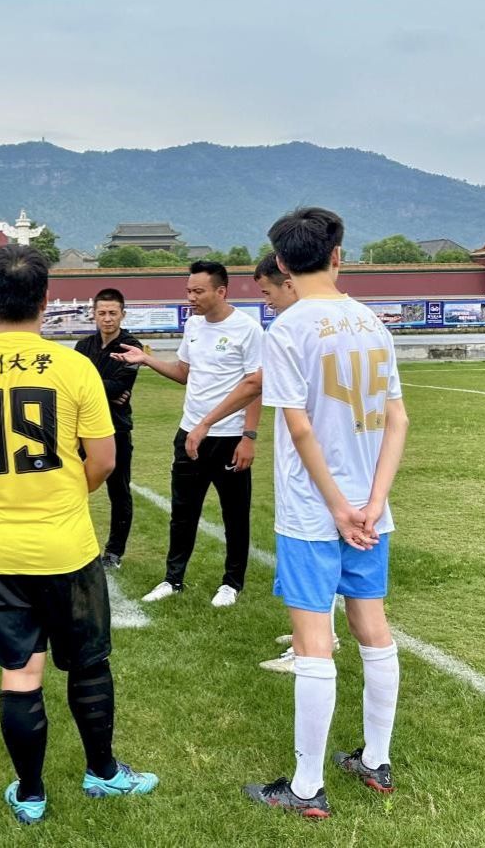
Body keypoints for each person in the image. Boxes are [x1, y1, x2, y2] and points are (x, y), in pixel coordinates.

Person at [0, 244, 158, 826]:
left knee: (20, 672)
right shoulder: (73, 366)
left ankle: (31, 793)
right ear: (46, 299)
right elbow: (103, 460)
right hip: (66, 545)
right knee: (88, 664)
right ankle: (102, 771)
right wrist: (61, 493)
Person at [244, 207, 407, 819]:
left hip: (315, 512)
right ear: (338, 256)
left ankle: (307, 788)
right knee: (373, 628)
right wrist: (373, 502)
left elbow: (301, 428)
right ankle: (376, 760)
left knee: (314, 640)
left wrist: (339, 507)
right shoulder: (372, 321)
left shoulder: (288, 328)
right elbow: (398, 419)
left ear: (281, 263)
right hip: (369, 511)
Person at [180, 253, 336, 673]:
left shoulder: (292, 326)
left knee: (309, 544)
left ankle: (310, 646)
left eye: (267, 291)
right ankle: (317, 631)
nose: (265, 300)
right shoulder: (341, 319)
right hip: (331, 454)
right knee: (323, 544)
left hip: (310, 458)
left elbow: (254, 383)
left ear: (290, 281)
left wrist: (210, 424)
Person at [115, 260, 263, 608]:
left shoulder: (248, 329)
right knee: (182, 512)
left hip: (229, 437)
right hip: (189, 434)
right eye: (188, 291)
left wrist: (248, 436)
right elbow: (183, 372)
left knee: (234, 514)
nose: (190, 298)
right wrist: (146, 359)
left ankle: (231, 583)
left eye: (198, 291)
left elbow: (255, 385)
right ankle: (173, 579)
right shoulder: (193, 325)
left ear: (221, 291)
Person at [73, 288, 143, 568]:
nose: (107, 318)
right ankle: (74, 542)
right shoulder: (83, 347)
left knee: (119, 490)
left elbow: (119, 387)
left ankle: (114, 552)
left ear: (122, 314)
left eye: (113, 313)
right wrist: (105, 389)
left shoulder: (131, 347)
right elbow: (75, 386)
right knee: (72, 485)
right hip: (81, 429)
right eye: (102, 313)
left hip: (116, 428)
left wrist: (94, 388)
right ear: (94, 314)